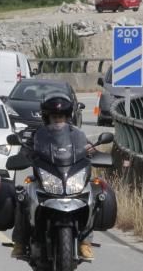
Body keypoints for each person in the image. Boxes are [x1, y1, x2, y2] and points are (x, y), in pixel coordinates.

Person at [11, 95, 95, 260]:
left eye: (61, 117)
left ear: (67, 117)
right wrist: (24, 154)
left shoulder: (76, 135)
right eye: (54, 117)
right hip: (45, 179)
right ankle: (20, 242)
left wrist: (92, 151)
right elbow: (26, 149)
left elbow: (85, 148)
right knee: (23, 198)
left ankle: (85, 242)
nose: (58, 120)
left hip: (68, 177)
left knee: (93, 195)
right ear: (47, 118)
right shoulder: (37, 135)